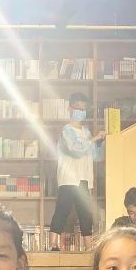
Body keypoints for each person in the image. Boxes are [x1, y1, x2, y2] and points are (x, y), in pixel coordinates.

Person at [49, 92, 104, 251]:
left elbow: (95, 156)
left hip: (84, 177)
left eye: (84, 109)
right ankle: (53, 245)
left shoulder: (86, 132)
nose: (81, 111)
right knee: (62, 210)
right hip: (68, 178)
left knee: (85, 212)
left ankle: (89, 247)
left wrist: (100, 142)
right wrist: (93, 140)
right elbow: (75, 150)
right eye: (78, 108)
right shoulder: (66, 130)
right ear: (70, 109)